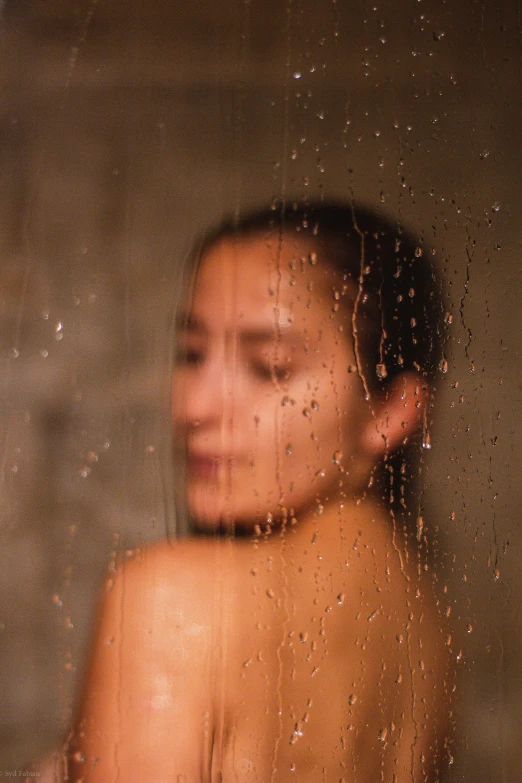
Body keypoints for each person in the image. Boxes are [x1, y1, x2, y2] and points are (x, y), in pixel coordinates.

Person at [68, 201, 452, 782]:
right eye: (192, 354)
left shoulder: (171, 601)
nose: (195, 406)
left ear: (393, 410)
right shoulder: (425, 624)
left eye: (269, 366)